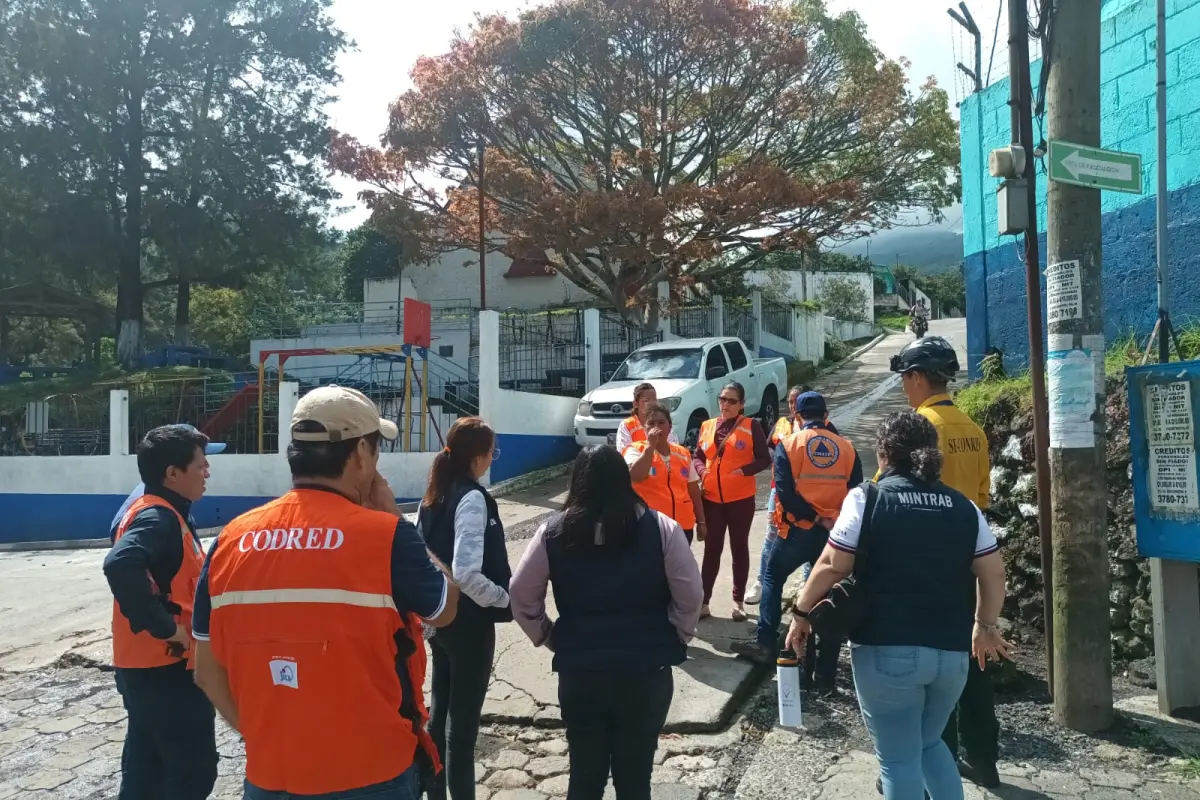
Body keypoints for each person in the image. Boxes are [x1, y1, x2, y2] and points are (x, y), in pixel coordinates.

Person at [190, 385, 460, 800]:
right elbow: (444, 608)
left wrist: (269, 737)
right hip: (373, 774)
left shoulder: (229, 540)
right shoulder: (386, 537)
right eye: (375, 450)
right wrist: (393, 516)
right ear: (359, 456)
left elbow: (207, 673)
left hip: (270, 775)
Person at [784, 411, 1010, 800]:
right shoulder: (962, 506)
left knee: (898, 759)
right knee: (929, 744)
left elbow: (832, 564)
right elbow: (994, 574)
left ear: (884, 453)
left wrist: (801, 613)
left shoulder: (867, 499)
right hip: (951, 655)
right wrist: (985, 625)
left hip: (887, 652)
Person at [509, 446, 703, 800]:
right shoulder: (662, 528)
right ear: (624, 480)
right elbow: (690, 594)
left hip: (581, 672)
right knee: (635, 781)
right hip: (646, 672)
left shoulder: (552, 532)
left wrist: (548, 636)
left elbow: (521, 594)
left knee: (584, 780)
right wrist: (678, 633)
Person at [888, 335, 998, 790]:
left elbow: (888, 493)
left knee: (932, 679)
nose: (902, 389)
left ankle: (937, 767)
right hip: (969, 561)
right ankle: (985, 760)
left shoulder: (918, 428)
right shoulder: (972, 426)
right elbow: (983, 498)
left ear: (917, 377)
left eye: (904, 379)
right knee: (971, 664)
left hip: (926, 569)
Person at [103, 424, 219, 800]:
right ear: (172, 473)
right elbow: (121, 564)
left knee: (146, 770)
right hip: (166, 671)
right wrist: (165, 627)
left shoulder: (163, 510)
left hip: (144, 669)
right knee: (192, 772)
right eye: (200, 465)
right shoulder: (158, 517)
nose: (207, 471)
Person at [732, 391, 861, 694]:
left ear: (799, 416)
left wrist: (815, 518)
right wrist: (831, 520)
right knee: (827, 593)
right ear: (825, 413)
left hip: (799, 531)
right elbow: (856, 493)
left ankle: (766, 644)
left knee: (773, 577)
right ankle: (824, 671)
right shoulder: (846, 448)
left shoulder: (789, 445)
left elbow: (786, 494)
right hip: (834, 537)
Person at [417, 417, 512, 800]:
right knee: (462, 732)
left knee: (439, 718)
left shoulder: (434, 495)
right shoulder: (471, 497)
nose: (492, 458)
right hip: (469, 625)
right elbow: (468, 574)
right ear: (478, 456)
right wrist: (509, 599)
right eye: (492, 452)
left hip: (440, 622)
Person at [747, 385, 840, 605]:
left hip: (813, 495)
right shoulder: (782, 424)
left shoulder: (826, 427)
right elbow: (769, 447)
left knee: (812, 539)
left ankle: (808, 586)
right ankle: (760, 581)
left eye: (796, 402)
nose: (792, 406)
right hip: (779, 492)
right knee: (772, 536)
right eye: (789, 401)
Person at [694, 381, 771, 620]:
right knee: (711, 550)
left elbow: (764, 459)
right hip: (712, 500)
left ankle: (738, 602)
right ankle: (704, 601)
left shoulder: (751, 426)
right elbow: (697, 456)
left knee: (739, 549)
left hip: (740, 499)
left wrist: (745, 471)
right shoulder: (706, 426)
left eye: (732, 400)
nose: (725, 404)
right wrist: (701, 470)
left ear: (741, 404)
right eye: (723, 399)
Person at [109, 424, 226, 541]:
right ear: (173, 474)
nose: (207, 474)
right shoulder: (155, 519)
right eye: (200, 465)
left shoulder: (171, 502)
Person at [624, 404, 706, 543]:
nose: (656, 427)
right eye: (651, 423)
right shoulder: (634, 450)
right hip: (651, 526)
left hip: (682, 526)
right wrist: (650, 448)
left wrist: (701, 521)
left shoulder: (683, 453)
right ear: (645, 427)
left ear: (669, 426)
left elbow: (693, 490)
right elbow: (635, 476)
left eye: (661, 422)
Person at [615, 382, 680, 453]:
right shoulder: (627, 425)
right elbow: (623, 452)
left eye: (654, 400)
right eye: (646, 400)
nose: (652, 404)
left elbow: (674, 449)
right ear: (636, 403)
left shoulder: (663, 422)